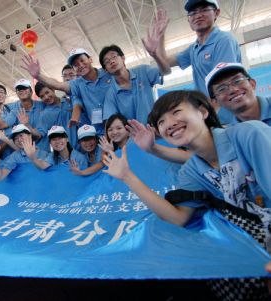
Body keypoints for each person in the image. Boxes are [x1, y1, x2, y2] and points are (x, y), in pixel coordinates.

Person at [103, 90, 271, 301]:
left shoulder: (249, 134)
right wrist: (127, 177)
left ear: (202, 112)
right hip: (253, 253)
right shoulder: (191, 171)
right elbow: (179, 217)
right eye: (162, 121)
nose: (170, 123)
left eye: (176, 112)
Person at [142, 1, 241, 95]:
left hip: (224, 110)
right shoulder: (194, 49)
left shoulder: (223, 40)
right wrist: (161, 36)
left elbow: (226, 84)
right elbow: (166, 64)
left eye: (204, 10)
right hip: (207, 109)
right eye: (193, 13)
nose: (198, 15)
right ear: (188, 20)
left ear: (216, 12)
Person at [22, 48, 113, 134]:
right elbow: (57, 84)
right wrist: (38, 76)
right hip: (100, 133)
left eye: (82, 60)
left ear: (90, 59)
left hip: (121, 126)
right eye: (76, 64)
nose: (80, 65)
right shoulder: (76, 85)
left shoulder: (109, 73)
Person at [100, 45, 165, 124]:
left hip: (156, 129)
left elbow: (165, 70)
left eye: (114, 56)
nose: (111, 61)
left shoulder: (143, 71)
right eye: (107, 61)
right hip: (133, 135)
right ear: (106, 69)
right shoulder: (110, 94)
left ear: (123, 58)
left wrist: (156, 55)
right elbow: (111, 121)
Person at [205, 62, 271, 126]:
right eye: (222, 89)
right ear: (216, 101)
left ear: (252, 84)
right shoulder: (232, 135)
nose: (233, 90)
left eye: (237, 81)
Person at [34, 82, 70, 151]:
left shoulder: (68, 102)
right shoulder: (44, 115)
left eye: (47, 92)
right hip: (62, 151)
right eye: (42, 96)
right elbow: (39, 133)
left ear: (53, 89)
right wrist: (26, 125)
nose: (46, 97)